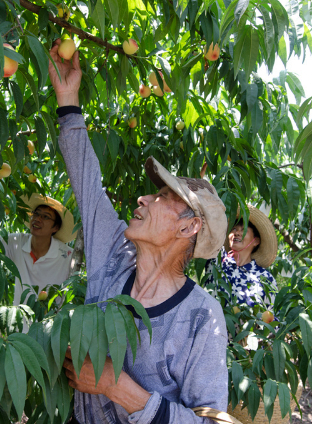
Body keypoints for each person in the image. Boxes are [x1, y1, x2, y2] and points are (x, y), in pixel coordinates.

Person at [49, 40, 229, 423]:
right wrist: (68, 101)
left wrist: (118, 387)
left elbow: (211, 421)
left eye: (163, 197)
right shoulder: (114, 255)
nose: (145, 198)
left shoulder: (200, 317)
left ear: (189, 225)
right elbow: (88, 186)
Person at [0, 194, 75, 308]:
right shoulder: (16, 242)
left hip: (50, 323)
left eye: (45, 217)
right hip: (19, 323)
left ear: (55, 228)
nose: (37, 219)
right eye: (36, 213)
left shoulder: (68, 256)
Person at [206, 205, 278, 309]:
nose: (237, 233)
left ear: (256, 241)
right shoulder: (215, 262)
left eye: (243, 230)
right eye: (234, 229)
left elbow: (271, 316)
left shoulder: (265, 278)